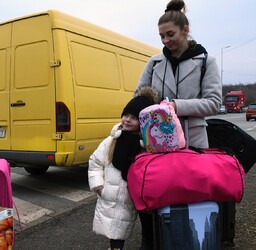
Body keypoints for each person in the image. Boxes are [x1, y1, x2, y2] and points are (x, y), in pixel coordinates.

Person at [134, 0, 222, 249]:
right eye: (161, 36)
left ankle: (195, 239)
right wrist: (141, 109)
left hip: (194, 141)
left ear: (185, 29)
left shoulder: (206, 61)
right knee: (157, 194)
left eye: (170, 34)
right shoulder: (154, 63)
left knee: (192, 196)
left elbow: (213, 103)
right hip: (158, 144)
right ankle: (156, 239)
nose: (165, 41)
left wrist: (176, 105)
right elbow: (139, 96)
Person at [88, 87, 159, 250]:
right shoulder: (111, 140)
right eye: (125, 115)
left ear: (142, 122)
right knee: (115, 233)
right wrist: (98, 185)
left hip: (133, 197)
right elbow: (95, 162)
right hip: (111, 195)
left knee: (136, 228)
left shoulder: (146, 145)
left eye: (133, 118)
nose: (127, 120)